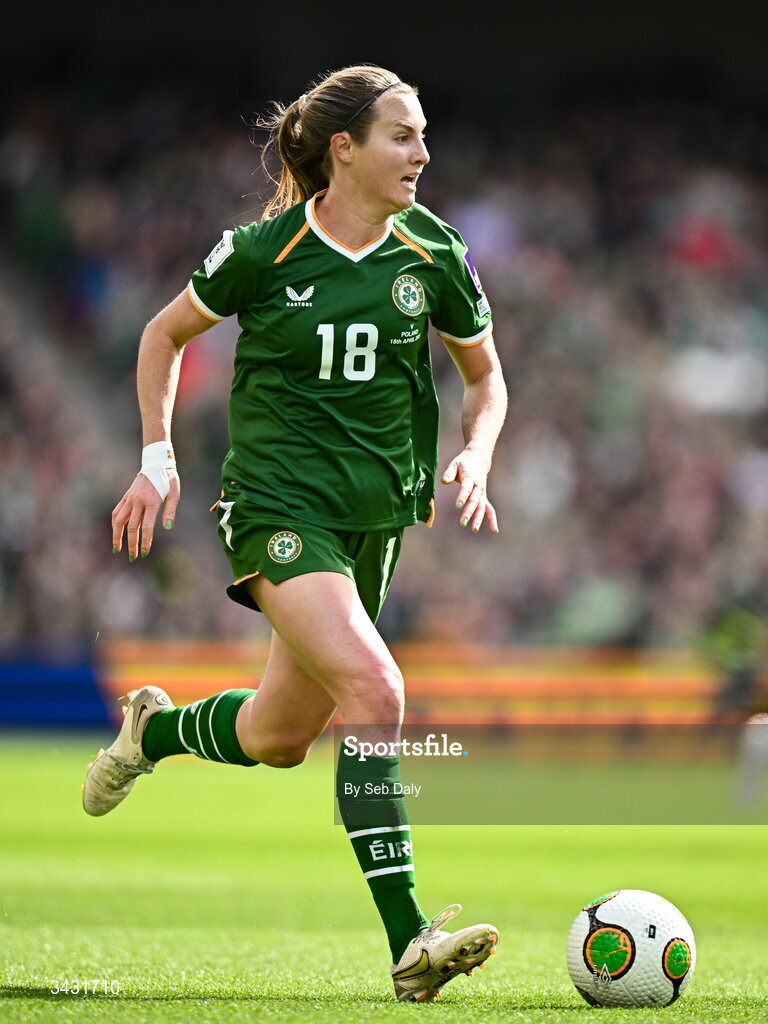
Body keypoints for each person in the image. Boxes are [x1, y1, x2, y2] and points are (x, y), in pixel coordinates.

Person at [83, 63, 507, 1002]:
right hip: (277, 507)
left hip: (375, 523)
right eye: (403, 135)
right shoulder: (263, 251)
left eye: (424, 135)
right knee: (376, 689)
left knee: (279, 737)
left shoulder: (434, 252)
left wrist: (477, 453)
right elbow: (162, 335)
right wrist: (157, 458)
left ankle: (153, 733)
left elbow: (484, 375)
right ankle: (411, 942)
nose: (423, 154)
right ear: (344, 150)